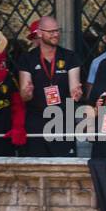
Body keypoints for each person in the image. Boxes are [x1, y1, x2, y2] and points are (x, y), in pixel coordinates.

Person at [17, 15, 82, 157]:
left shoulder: (70, 57)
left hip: (63, 120)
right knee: (36, 166)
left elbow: (74, 84)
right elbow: (24, 95)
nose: (55, 34)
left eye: (57, 31)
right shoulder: (27, 58)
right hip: (36, 120)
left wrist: (76, 93)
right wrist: (27, 92)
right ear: (40, 33)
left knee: (65, 166)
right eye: (51, 31)